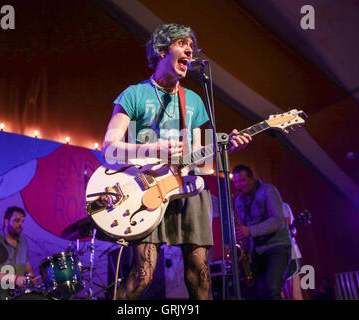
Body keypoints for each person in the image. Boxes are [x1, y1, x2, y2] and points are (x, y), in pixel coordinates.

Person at [101, 23, 251, 300]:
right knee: (143, 274)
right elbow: (109, 148)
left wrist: (223, 143)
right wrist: (154, 148)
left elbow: (201, 157)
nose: (190, 50)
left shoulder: (193, 99)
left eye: (191, 46)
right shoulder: (134, 94)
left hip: (187, 188)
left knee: (200, 272)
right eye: (182, 44)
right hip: (146, 189)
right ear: (161, 50)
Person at [232, 164, 291, 300]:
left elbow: (278, 221)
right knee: (258, 294)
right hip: (258, 251)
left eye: (242, 180)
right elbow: (243, 227)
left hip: (277, 247)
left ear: (252, 178)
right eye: (236, 182)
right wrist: (244, 250)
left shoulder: (268, 190)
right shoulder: (239, 200)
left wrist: (249, 230)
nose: (239, 185)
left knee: (272, 290)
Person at [0, 206, 37, 300]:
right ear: (6, 222)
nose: (20, 224)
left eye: (22, 221)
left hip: (19, 293)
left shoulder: (23, 242)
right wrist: (15, 279)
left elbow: (27, 267)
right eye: (17, 220)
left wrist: (30, 277)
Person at [281, 202, 303, 300]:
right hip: (272, 256)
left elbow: (291, 231)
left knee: (295, 294)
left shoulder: (283, 206)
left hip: (290, 253)